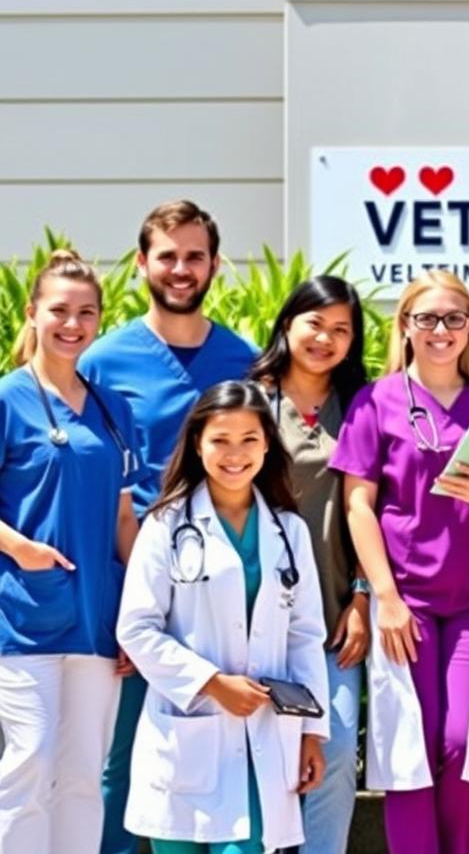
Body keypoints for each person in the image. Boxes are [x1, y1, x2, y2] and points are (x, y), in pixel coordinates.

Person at [81, 199, 256, 854]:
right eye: (168, 256)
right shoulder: (102, 361)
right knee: (122, 763)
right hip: (135, 589)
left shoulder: (244, 360)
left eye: (195, 256)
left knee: (213, 752)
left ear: (215, 265)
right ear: (142, 263)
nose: (181, 269)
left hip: (223, 589)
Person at [332, 270, 469, 854]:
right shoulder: (376, 402)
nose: (441, 331)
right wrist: (383, 597)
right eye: (427, 319)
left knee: (464, 744)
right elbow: (358, 505)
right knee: (410, 750)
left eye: (455, 319)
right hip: (404, 603)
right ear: (406, 326)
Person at [117, 381, 328, 853]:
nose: (235, 454)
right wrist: (212, 683)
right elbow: (136, 627)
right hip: (187, 731)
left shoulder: (288, 531)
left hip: (268, 736)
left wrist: (313, 732)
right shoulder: (166, 525)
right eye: (220, 440)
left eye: (249, 439)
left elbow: (305, 637)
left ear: (268, 444)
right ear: (197, 444)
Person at [0, 251, 141, 853]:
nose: (72, 324)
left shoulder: (112, 410)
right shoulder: (8, 399)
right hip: (24, 615)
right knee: (28, 763)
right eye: (59, 310)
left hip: (97, 619)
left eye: (86, 312)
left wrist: (141, 611)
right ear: (32, 314)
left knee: (85, 775)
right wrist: (18, 547)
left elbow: (122, 514)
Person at [250, 276, 369, 854]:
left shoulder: (364, 405)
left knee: (338, 749)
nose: (325, 337)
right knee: (264, 760)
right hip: (256, 621)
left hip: (334, 617)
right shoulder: (251, 399)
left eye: (341, 329)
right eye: (315, 323)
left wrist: (367, 595)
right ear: (288, 324)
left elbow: (382, 510)